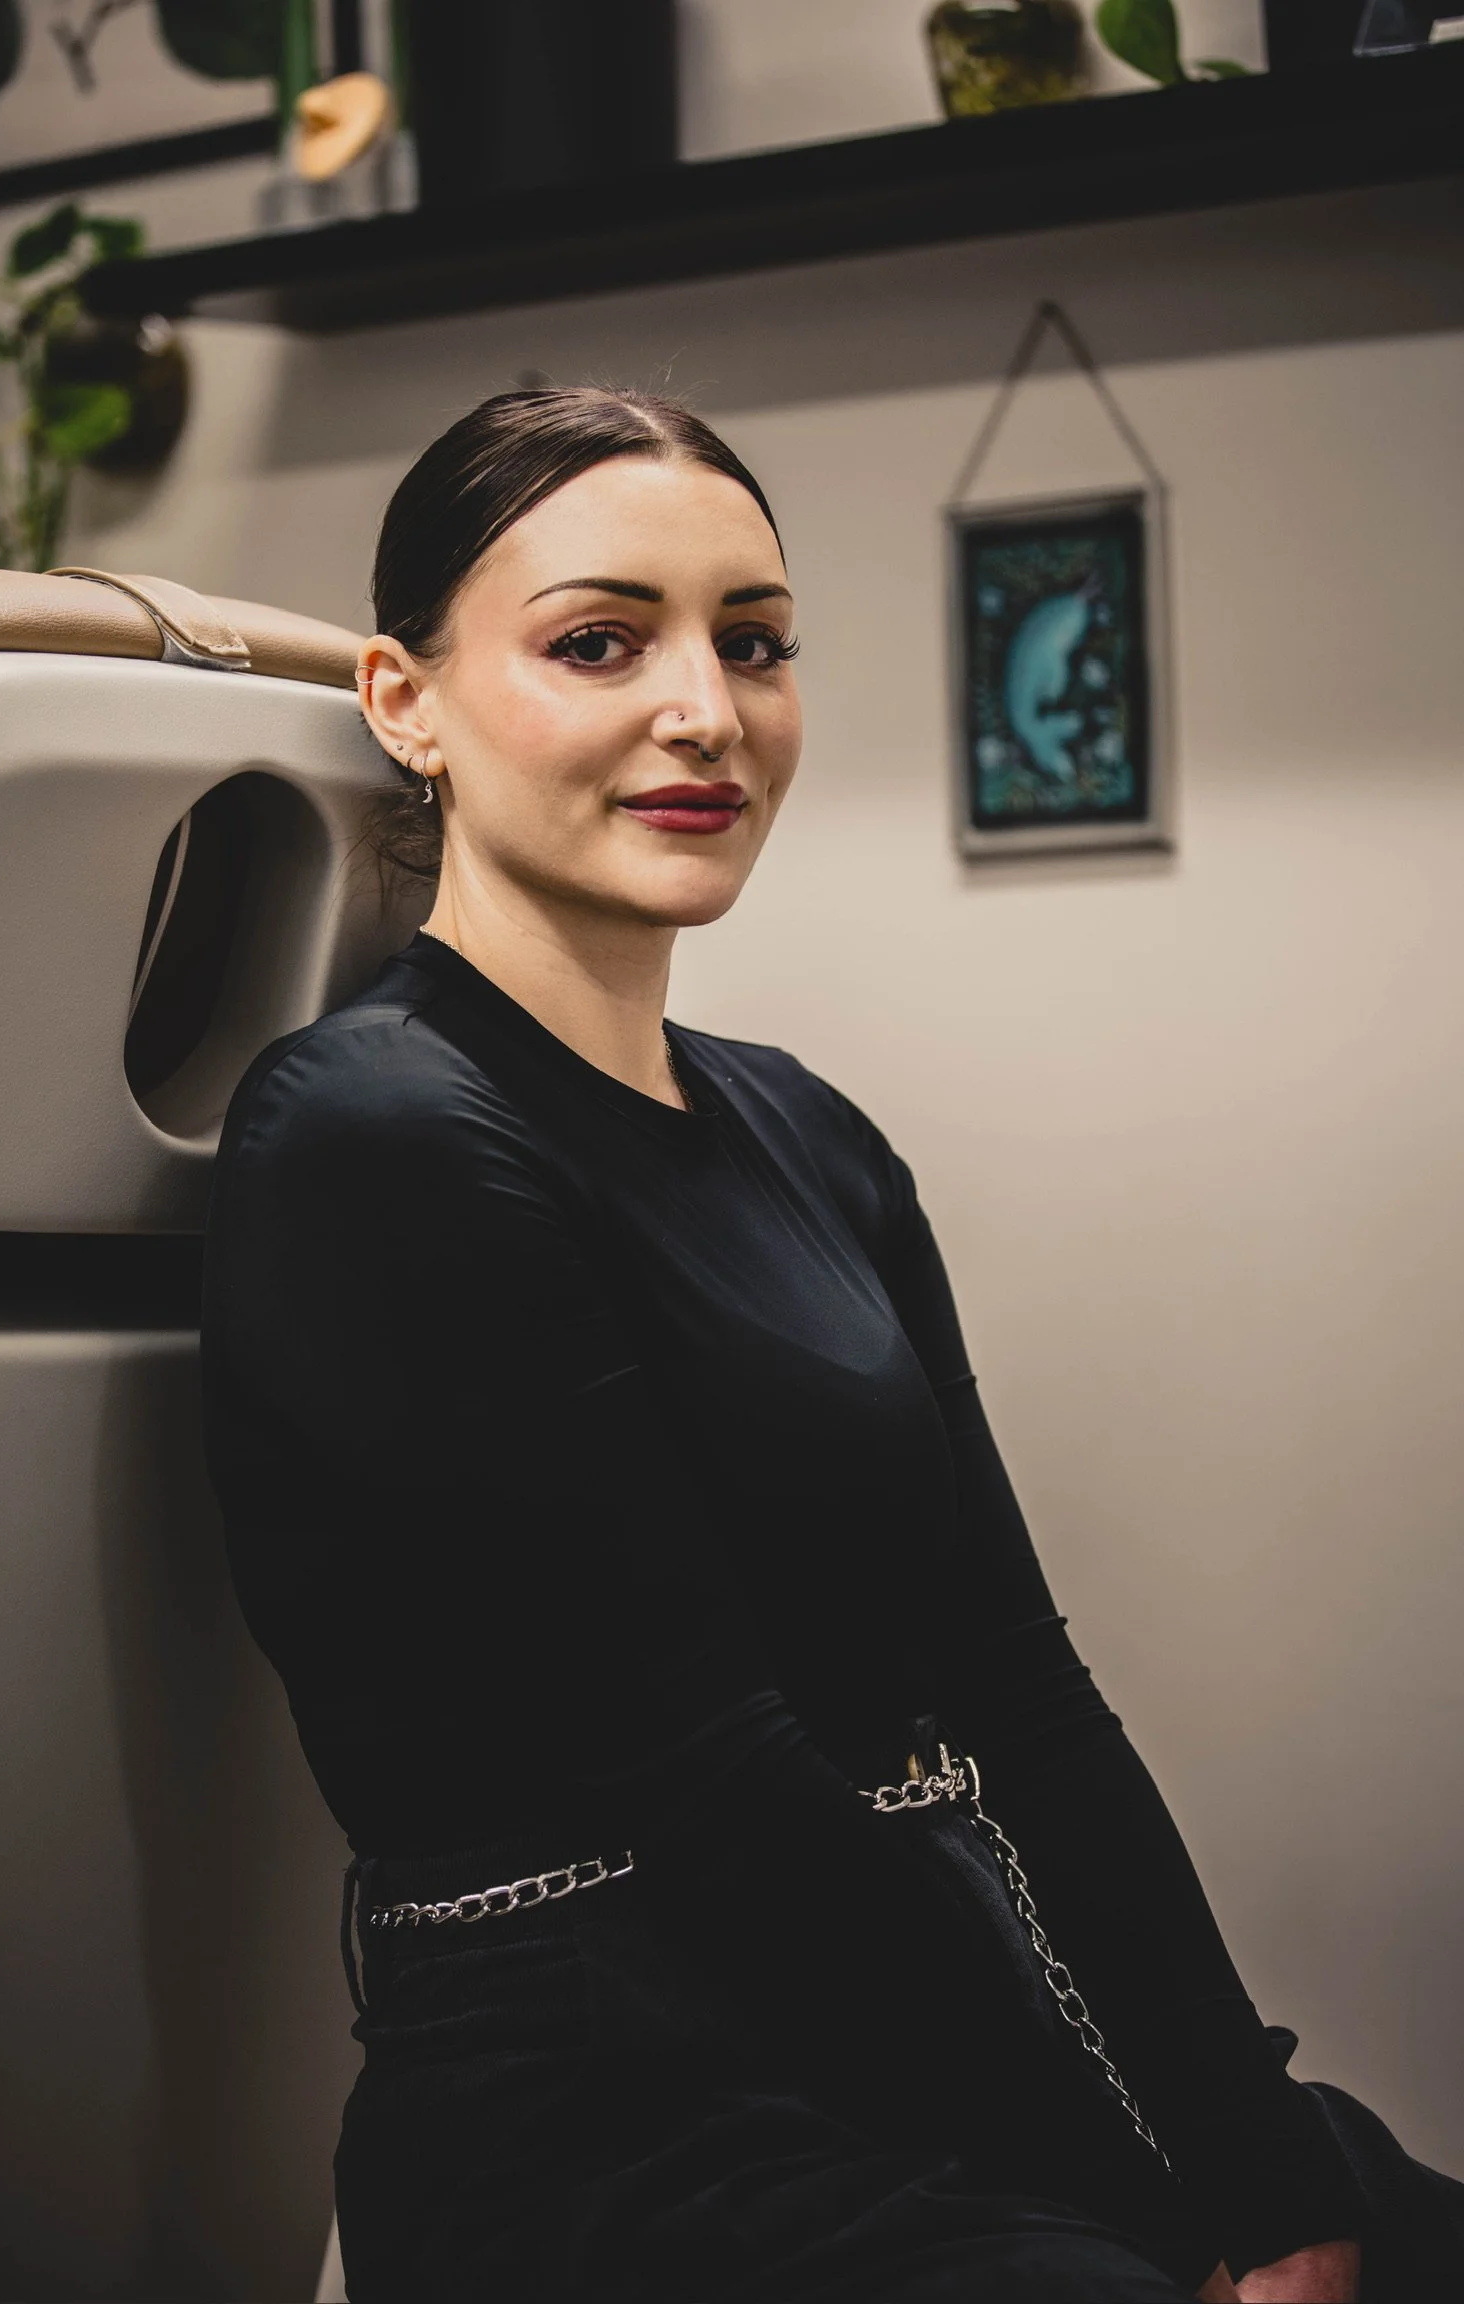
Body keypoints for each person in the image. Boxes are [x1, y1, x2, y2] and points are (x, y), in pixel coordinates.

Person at [199, 387, 1461, 2303]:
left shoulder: (808, 1129)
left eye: (756, 642)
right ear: (406, 700)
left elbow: (1025, 1694)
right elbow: (702, 1778)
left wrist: (1253, 2146)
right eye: (600, 642)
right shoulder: (379, 1131)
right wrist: (1151, 2202)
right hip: (620, 2135)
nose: (706, 707)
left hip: (923, 2016)